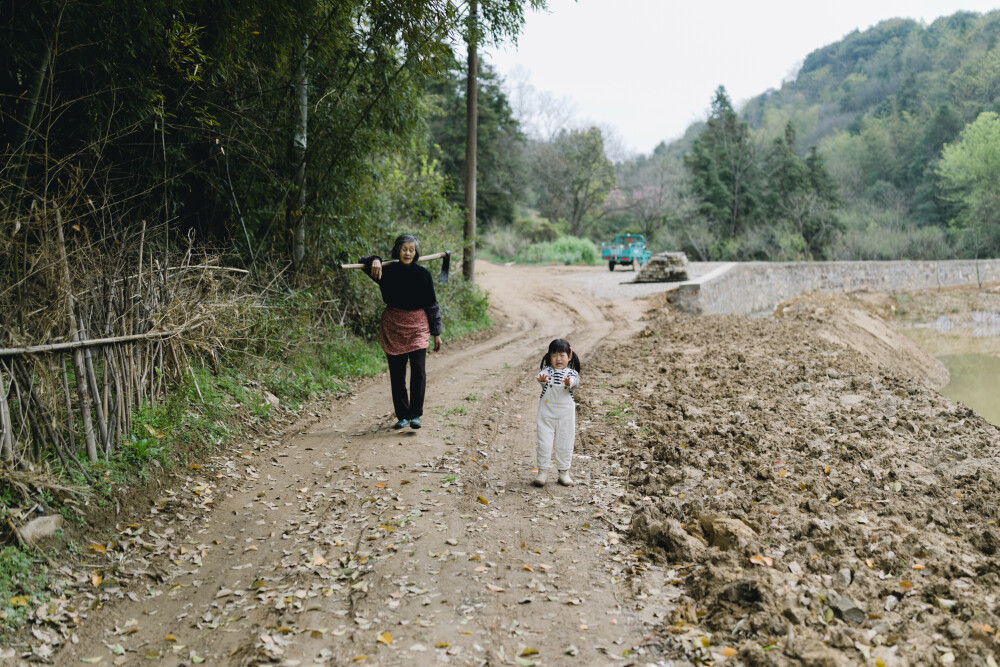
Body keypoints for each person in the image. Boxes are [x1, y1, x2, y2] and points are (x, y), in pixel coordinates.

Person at [360, 234, 442, 430]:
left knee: (418, 371)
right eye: (404, 249)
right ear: (398, 250)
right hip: (394, 326)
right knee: (397, 373)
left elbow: (432, 306)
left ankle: (415, 414)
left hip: (418, 327)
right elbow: (362, 262)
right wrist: (375, 260)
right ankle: (403, 415)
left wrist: (436, 333)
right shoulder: (385, 272)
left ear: (416, 253)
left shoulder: (423, 275)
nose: (408, 253)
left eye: (412, 249)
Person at [533, 339, 581, 487]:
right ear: (549, 356)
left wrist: (569, 383)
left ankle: (564, 473)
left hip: (565, 415)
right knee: (544, 443)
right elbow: (542, 378)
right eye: (554, 356)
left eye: (562, 355)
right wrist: (541, 380)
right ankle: (542, 472)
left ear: (569, 356)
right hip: (546, 414)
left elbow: (574, 382)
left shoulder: (572, 373)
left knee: (565, 443)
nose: (558, 359)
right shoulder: (546, 371)